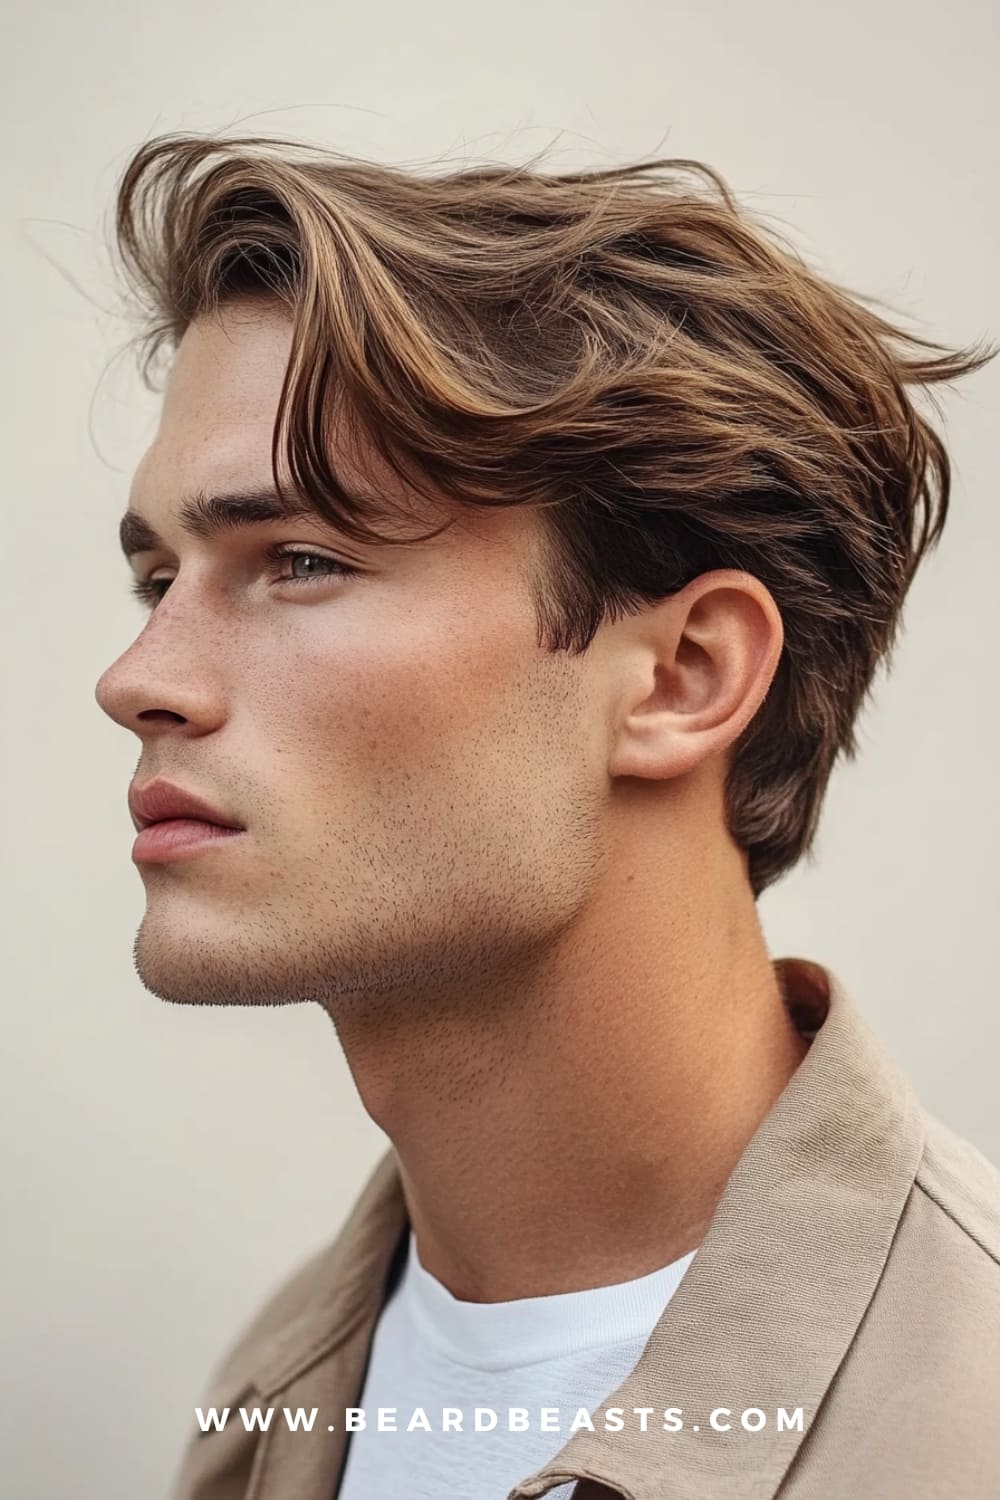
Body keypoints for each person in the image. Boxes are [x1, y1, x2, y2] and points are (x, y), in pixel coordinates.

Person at [95, 131, 1000, 1500]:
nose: (138, 679)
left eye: (299, 561)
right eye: (157, 574)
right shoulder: (277, 1394)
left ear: (682, 678)